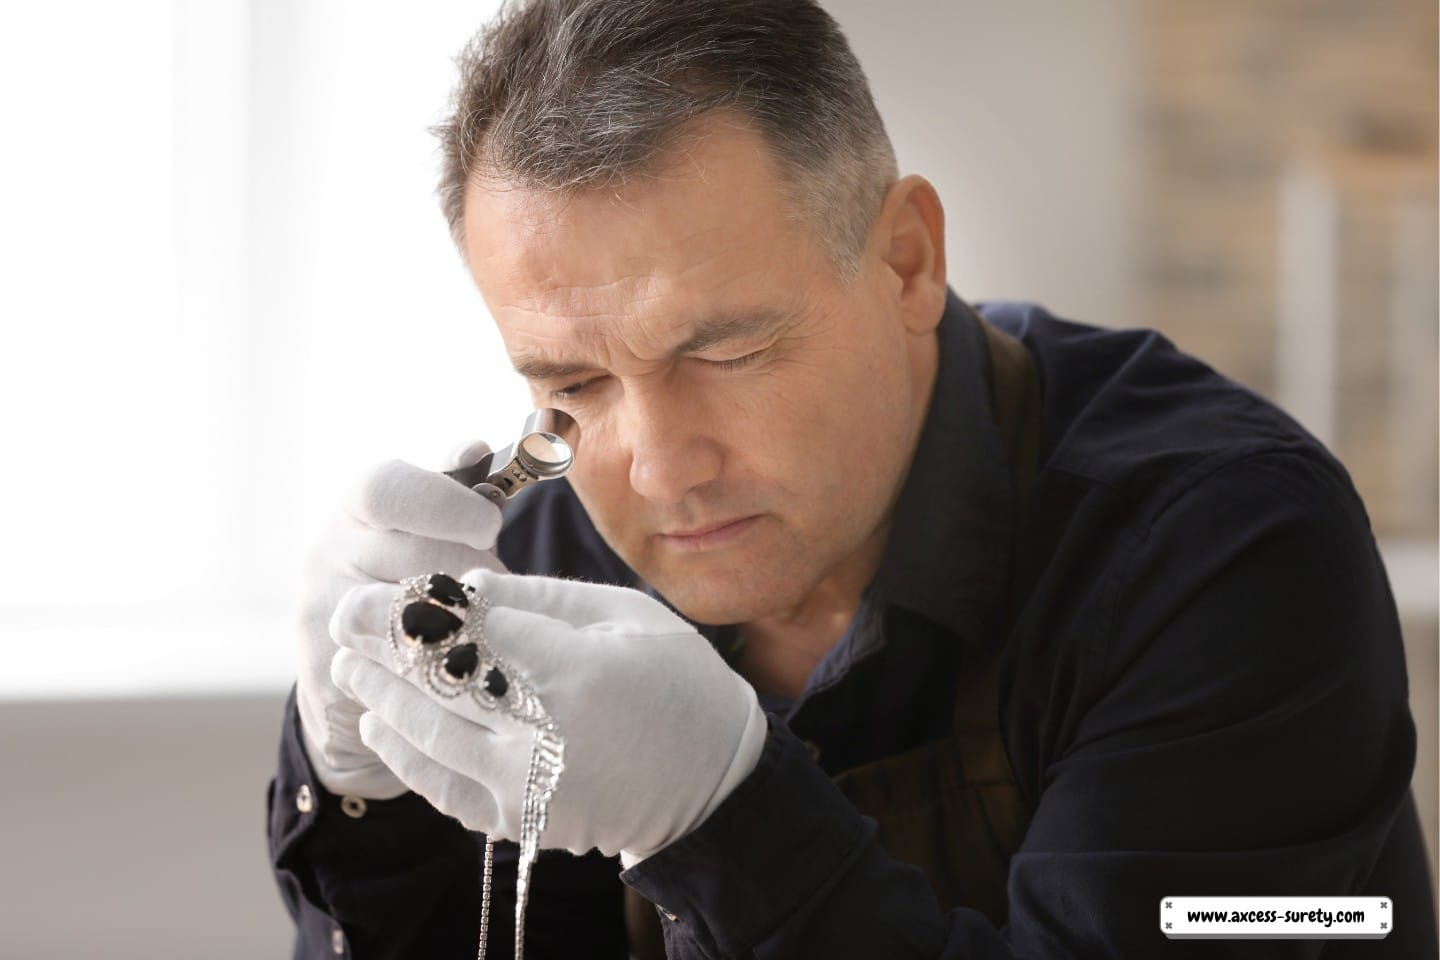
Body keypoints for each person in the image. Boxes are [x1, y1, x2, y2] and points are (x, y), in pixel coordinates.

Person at [266, 0, 1437, 957]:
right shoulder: (555, 550)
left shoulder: (1229, 553)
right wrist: (360, 782)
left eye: (726, 352)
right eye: (574, 384)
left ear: (906, 259)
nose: (660, 469)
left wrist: (725, 814)